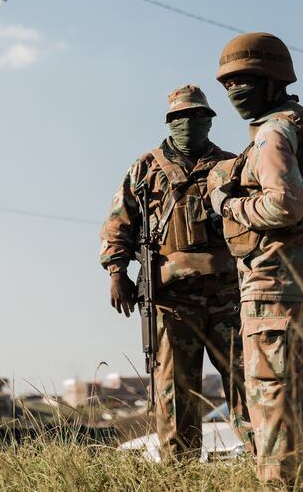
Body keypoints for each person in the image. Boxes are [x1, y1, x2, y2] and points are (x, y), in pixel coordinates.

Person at [210, 32, 303, 485]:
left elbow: (284, 205)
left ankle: (280, 482)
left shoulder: (272, 132)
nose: (234, 92)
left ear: (272, 79)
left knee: (270, 394)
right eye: (228, 84)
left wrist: (229, 206)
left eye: (244, 80)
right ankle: (301, 480)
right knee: (292, 390)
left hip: (274, 282)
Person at [100, 84, 253, 461]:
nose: (190, 123)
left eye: (198, 117)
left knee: (246, 382)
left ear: (209, 121)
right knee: (174, 391)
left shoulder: (230, 165)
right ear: (170, 122)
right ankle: (180, 471)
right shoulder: (145, 169)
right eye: (182, 117)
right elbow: (119, 223)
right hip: (172, 300)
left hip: (226, 296)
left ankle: (264, 462)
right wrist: (116, 271)